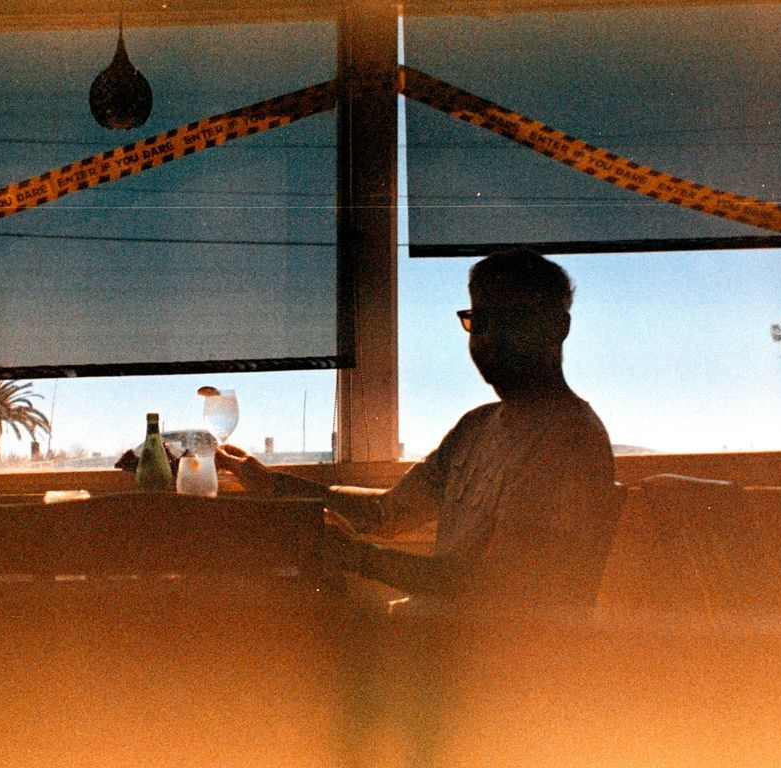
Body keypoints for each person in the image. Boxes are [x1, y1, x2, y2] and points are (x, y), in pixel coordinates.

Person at [217, 248, 618, 619]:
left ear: (557, 327)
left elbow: (487, 584)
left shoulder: (570, 440)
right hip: (439, 640)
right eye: (481, 320)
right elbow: (387, 513)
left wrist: (354, 556)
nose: (491, 338)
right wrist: (266, 480)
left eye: (511, 320)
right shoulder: (476, 427)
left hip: (504, 663)